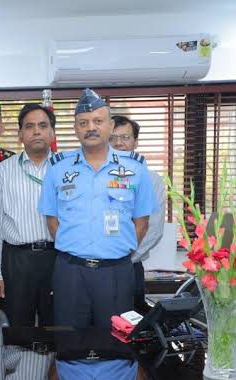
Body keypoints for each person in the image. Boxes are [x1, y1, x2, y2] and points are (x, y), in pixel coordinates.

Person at [38, 89, 157, 328]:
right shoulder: (57, 167)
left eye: (98, 121)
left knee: (116, 341)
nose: (90, 127)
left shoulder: (136, 168)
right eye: (83, 123)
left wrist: (116, 253)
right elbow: (52, 222)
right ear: (75, 128)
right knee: (69, 340)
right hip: (70, 273)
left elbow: (142, 224)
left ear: (110, 126)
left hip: (116, 273)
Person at [0, 103, 57, 327]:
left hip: (58, 259)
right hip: (17, 261)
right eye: (29, 126)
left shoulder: (67, 169)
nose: (36, 131)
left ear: (52, 133)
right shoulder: (4, 170)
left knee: (57, 328)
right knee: (17, 329)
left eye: (43, 126)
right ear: (20, 134)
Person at [110, 115, 167, 310]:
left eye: (125, 137)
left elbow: (153, 229)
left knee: (130, 322)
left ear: (135, 141)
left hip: (129, 266)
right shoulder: (93, 178)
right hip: (96, 269)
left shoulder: (152, 180)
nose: (118, 143)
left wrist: (124, 258)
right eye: (112, 138)